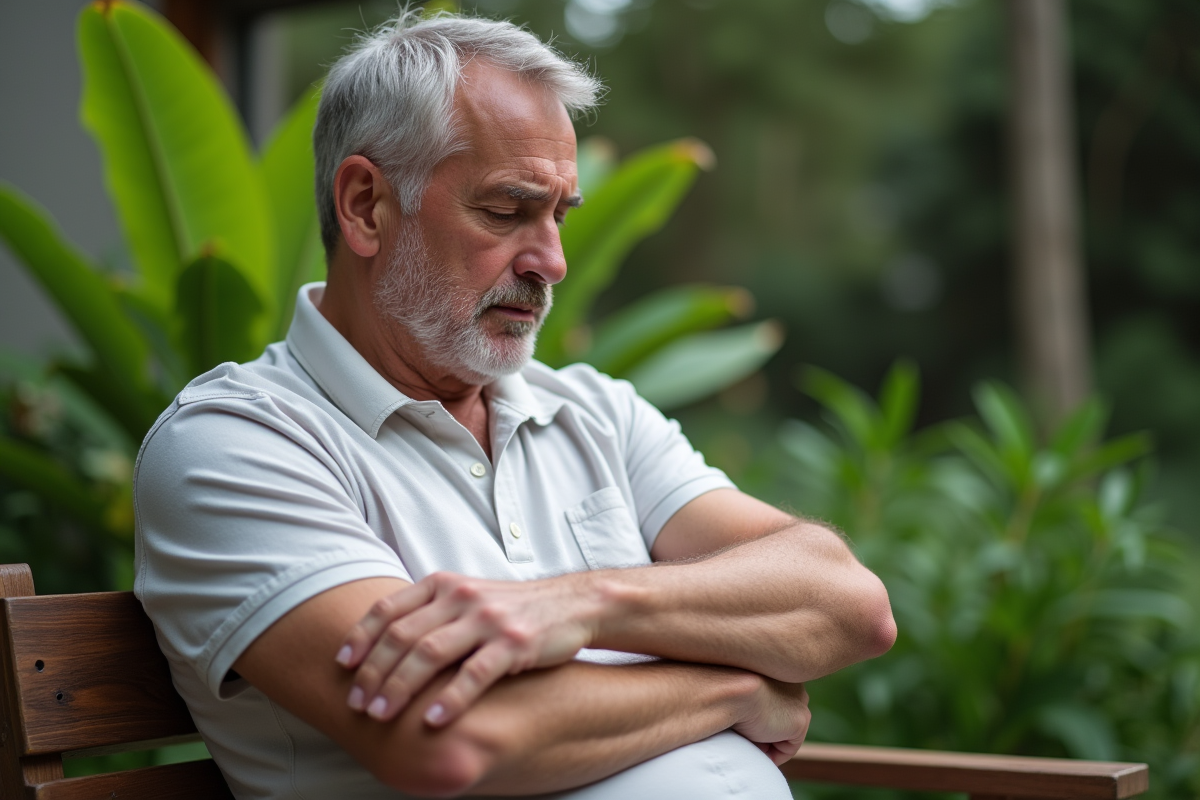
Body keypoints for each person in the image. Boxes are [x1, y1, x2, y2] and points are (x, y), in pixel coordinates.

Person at [134, 10, 896, 799]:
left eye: (559, 215)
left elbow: (848, 605)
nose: (553, 262)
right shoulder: (238, 442)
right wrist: (736, 690)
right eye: (506, 212)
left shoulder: (594, 413)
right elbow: (450, 739)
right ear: (365, 205)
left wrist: (579, 605)